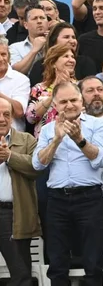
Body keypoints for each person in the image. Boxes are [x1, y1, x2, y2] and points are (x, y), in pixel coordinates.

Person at [32, 82, 103, 286]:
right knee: (57, 264)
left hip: (89, 198)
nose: (69, 105)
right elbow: (38, 164)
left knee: (93, 263)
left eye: (73, 100)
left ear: (81, 100)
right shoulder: (49, 130)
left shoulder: (97, 125)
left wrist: (80, 140)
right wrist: (57, 140)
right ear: (55, 105)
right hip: (57, 200)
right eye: (63, 101)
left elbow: (100, 160)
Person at [0, 97, 41, 286]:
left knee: (21, 274)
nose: (2, 119)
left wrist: (9, 156)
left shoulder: (26, 140)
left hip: (11, 214)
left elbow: (36, 168)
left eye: (6, 114)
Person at [25, 45, 77, 138]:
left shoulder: (80, 87)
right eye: (66, 56)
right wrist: (54, 92)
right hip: (46, 142)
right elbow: (30, 118)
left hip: (73, 140)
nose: (71, 60)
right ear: (53, 63)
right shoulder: (39, 89)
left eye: (72, 57)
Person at [28, 22, 99, 86]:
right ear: (54, 41)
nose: (72, 41)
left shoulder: (86, 63)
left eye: (73, 37)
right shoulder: (40, 65)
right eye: (66, 37)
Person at [0, 38, 31, 132]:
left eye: (3, 54)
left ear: (9, 57)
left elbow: (19, 111)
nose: (0, 59)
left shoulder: (21, 80)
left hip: (13, 140)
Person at [9, 4, 48, 75]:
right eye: (35, 18)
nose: (39, 21)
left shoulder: (56, 43)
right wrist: (34, 50)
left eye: (42, 18)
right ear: (26, 25)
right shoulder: (15, 47)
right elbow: (15, 73)